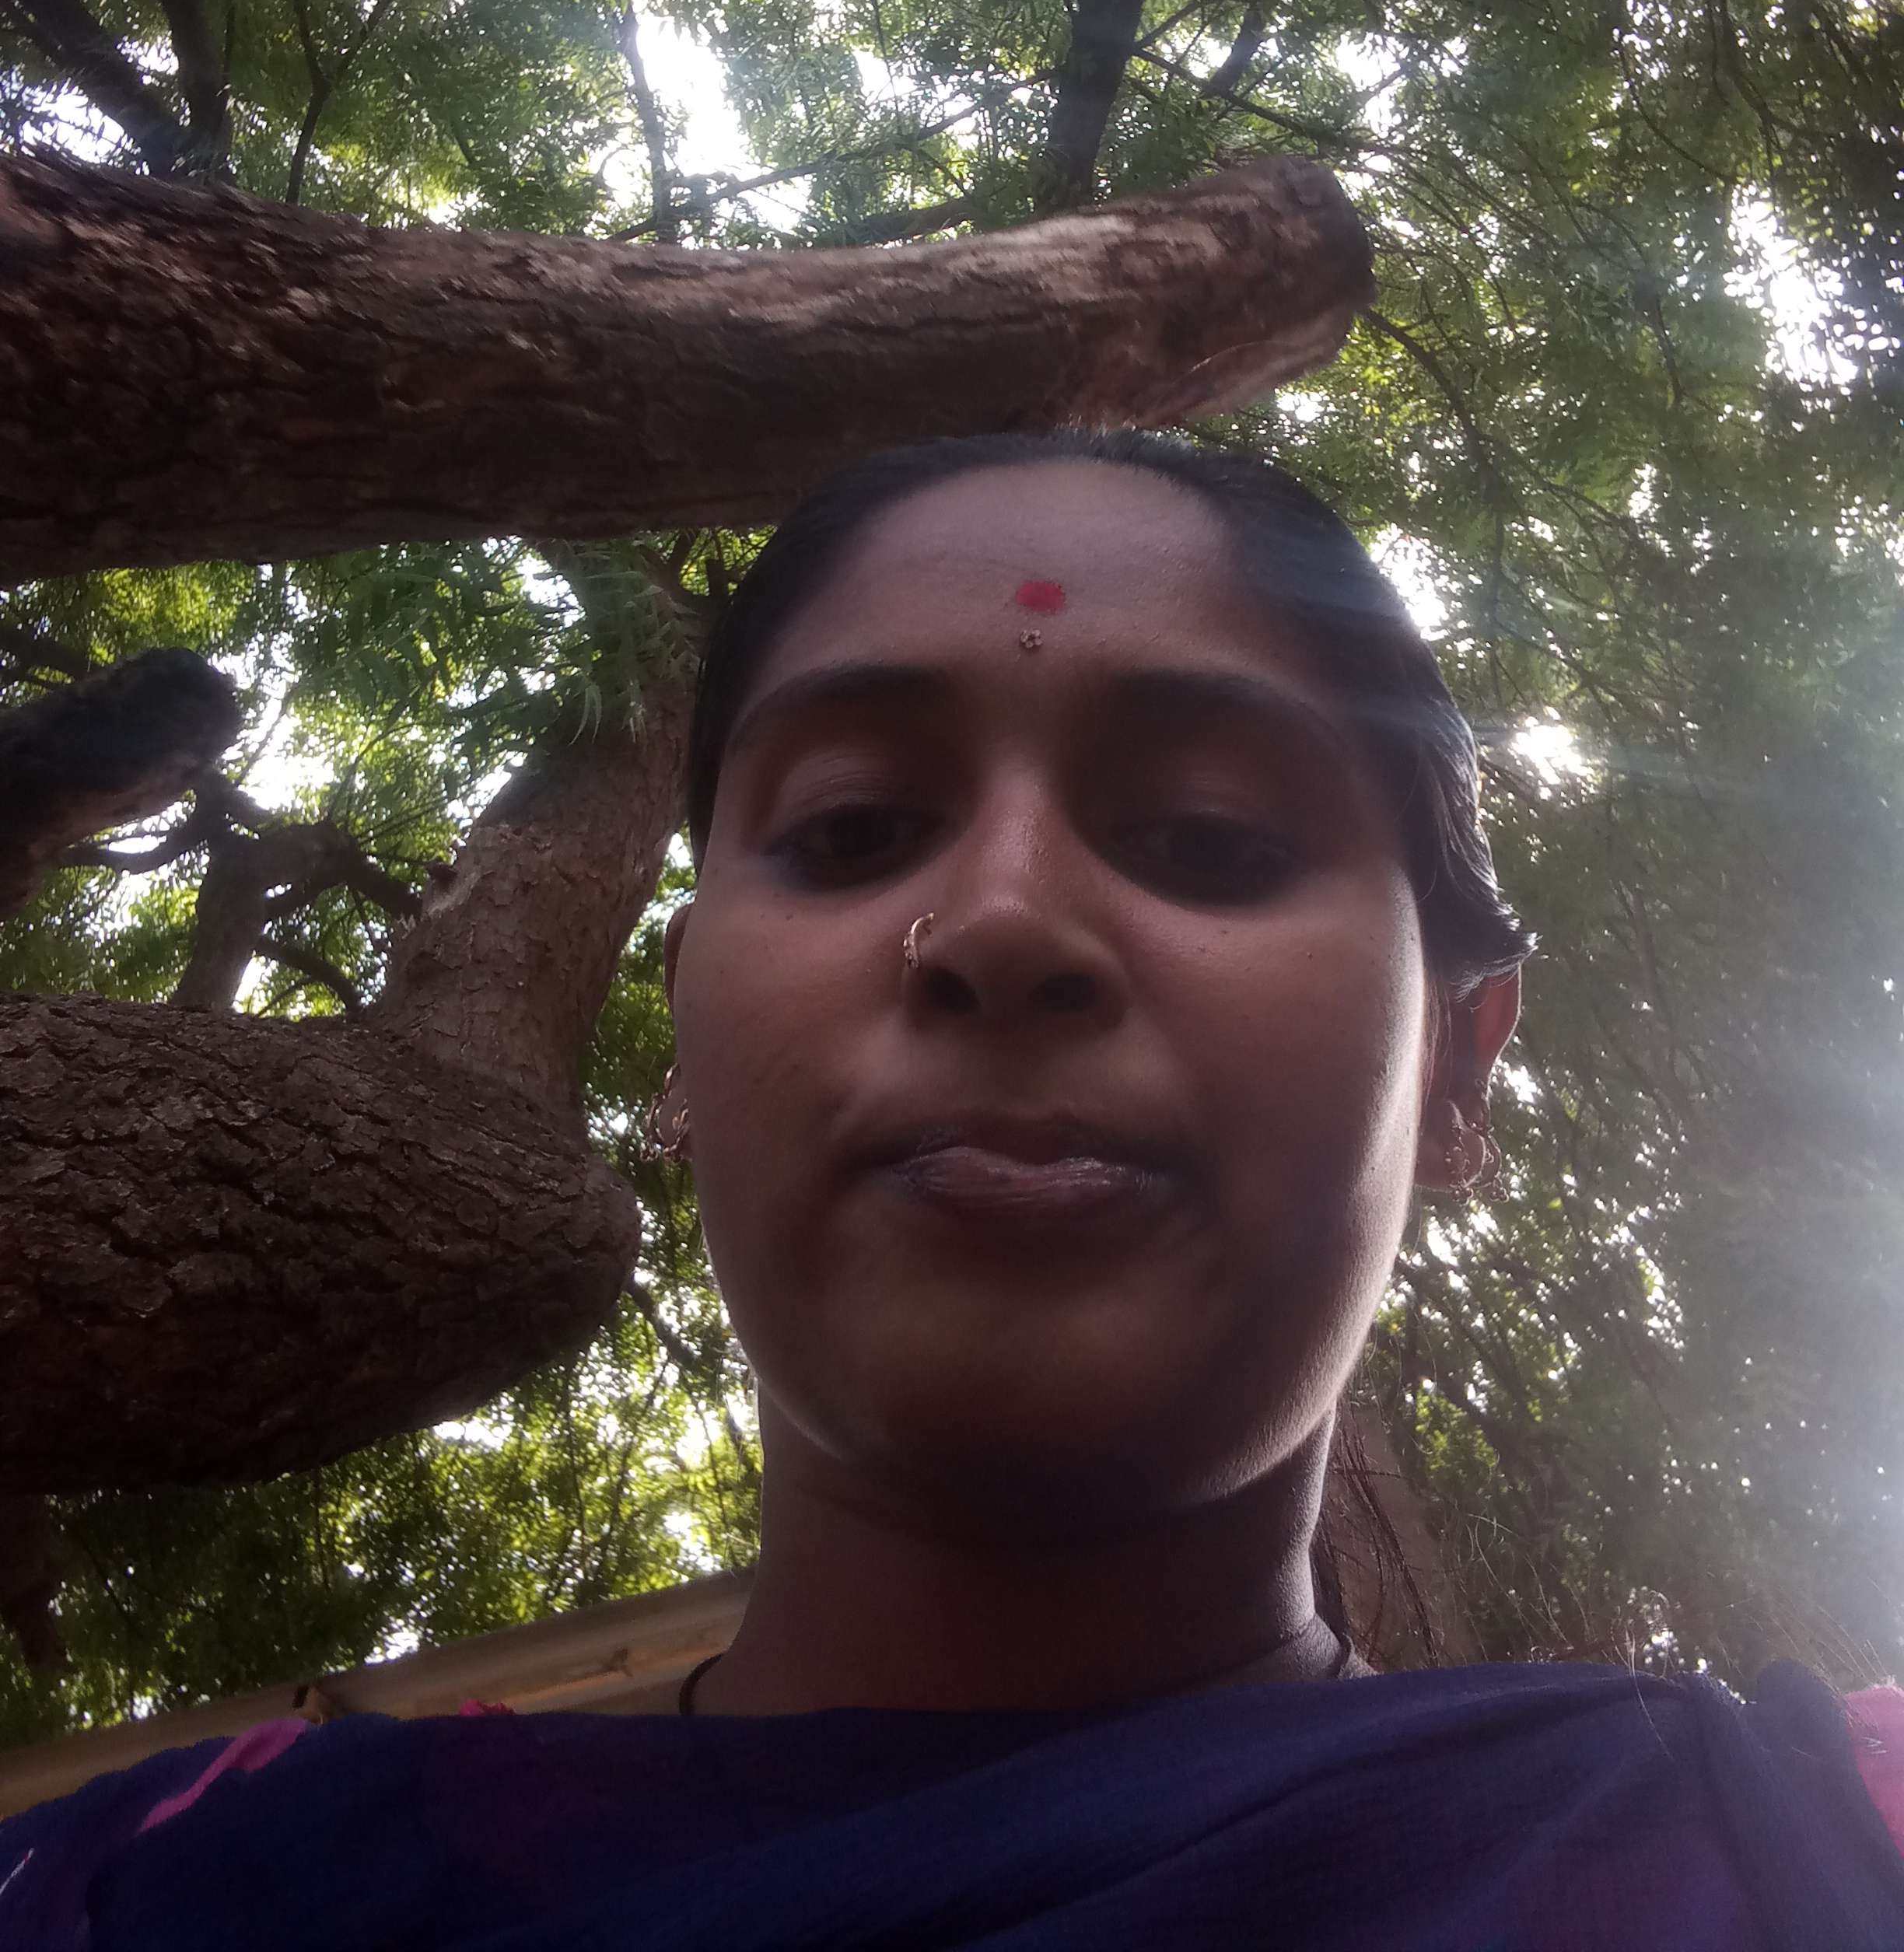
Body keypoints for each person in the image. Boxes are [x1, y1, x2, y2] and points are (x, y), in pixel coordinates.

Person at [4, 429, 1901, 1949]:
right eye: (851, 829)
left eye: (1206, 836)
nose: (998, 922)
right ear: (685, 1045)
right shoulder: (161, 1897)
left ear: (1458, 1075)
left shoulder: (1817, 1857)